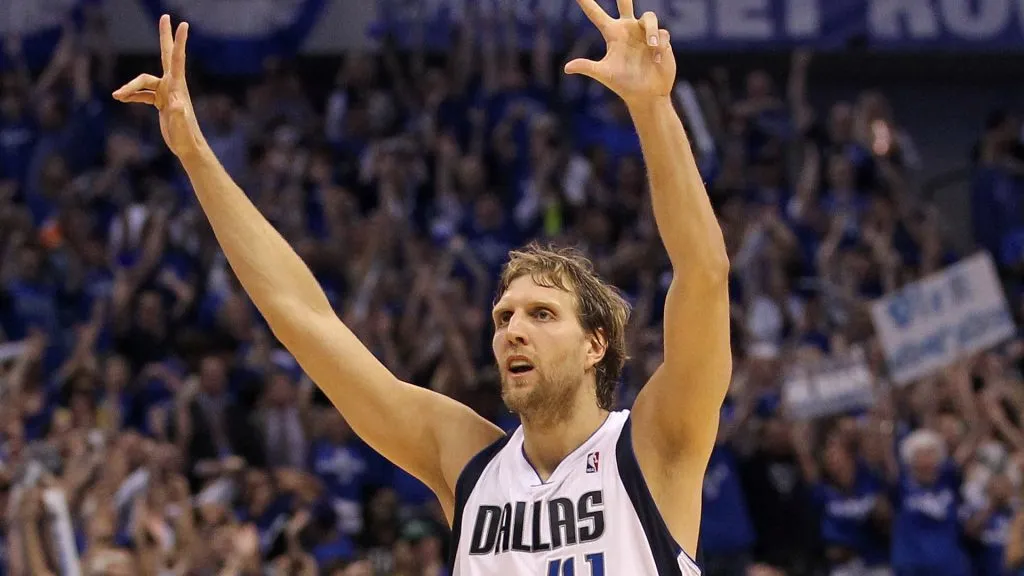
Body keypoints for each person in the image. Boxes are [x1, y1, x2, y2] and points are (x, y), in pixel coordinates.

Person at [111, 0, 731, 573]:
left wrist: (652, 108)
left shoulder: (654, 445)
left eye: (542, 314)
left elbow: (704, 275)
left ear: (597, 344)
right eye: (503, 316)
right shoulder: (468, 462)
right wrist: (194, 152)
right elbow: (304, 319)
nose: (513, 328)